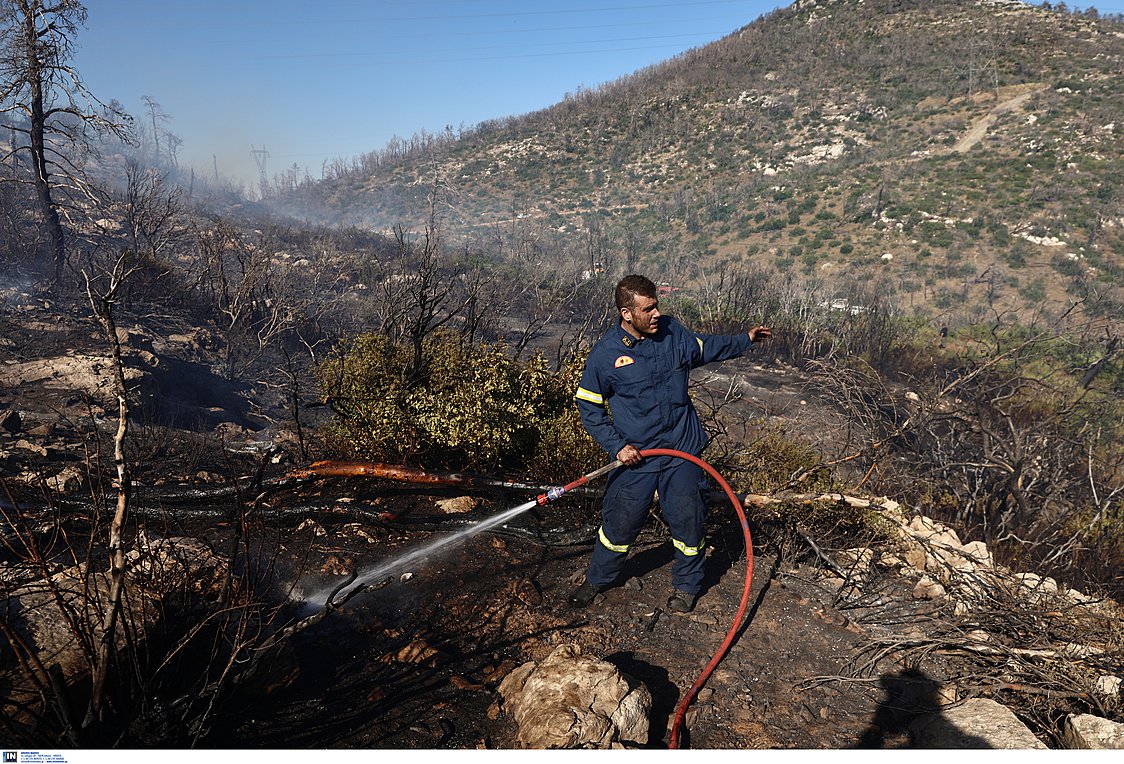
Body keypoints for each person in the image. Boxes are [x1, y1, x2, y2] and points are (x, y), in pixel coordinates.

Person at [570, 274, 771, 613]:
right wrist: (617, 446)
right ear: (626, 313)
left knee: (688, 520)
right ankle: (599, 579)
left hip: (682, 451)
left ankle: (687, 586)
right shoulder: (607, 355)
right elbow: (587, 404)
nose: (656, 314)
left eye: (657, 306)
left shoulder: (673, 333)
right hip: (636, 456)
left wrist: (745, 339)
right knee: (619, 523)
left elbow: (709, 346)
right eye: (647, 309)